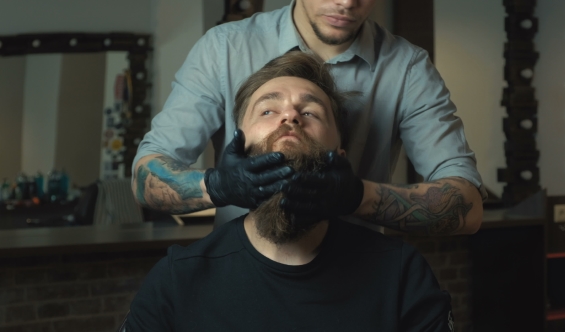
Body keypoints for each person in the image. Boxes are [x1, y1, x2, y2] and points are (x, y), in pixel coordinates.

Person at [124, 52, 455, 331]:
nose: (290, 116)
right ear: (236, 145)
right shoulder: (179, 279)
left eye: (310, 112)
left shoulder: (400, 275)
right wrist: (218, 184)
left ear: (340, 155)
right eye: (268, 110)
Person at [132, 0, 487, 235]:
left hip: (357, 280)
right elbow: (145, 174)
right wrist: (219, 186)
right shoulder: (224, 49)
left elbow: (467, 207)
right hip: (241, 271)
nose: (346, 2)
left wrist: (358, 197)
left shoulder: (408, 69)